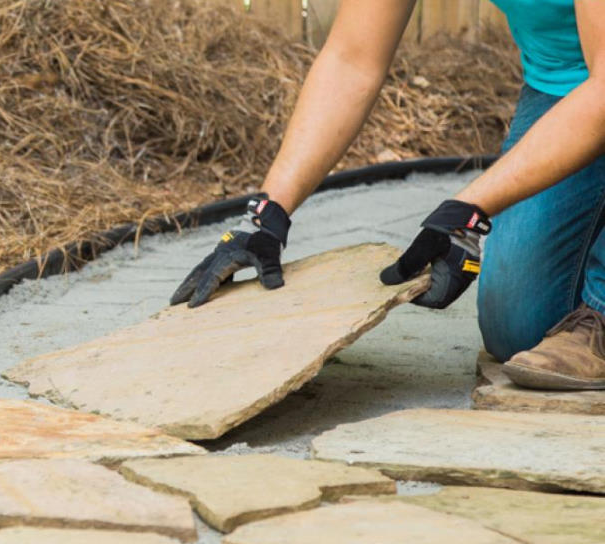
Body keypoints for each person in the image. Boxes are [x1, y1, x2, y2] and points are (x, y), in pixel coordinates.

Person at [172, 0, 605, 391]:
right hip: (564, 86)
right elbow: (351, 59)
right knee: (519, 328)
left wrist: (470, 210)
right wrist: (268, 213)